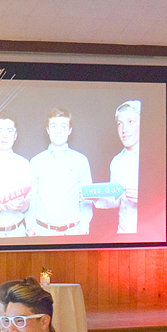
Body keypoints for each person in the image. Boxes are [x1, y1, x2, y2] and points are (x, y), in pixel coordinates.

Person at [26, 108, 93, 236]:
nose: (58, 131)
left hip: (73, 232)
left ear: (69, 131)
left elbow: (86, 198)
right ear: (47, 130)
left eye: (63, 126)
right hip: (42, 232)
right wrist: (30, 227)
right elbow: (31, 198)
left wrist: (83, 230)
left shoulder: (80, 160)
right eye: (54, 126)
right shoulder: (36, 161)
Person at [94, 100, 141, 234]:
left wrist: (145, 197)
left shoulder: (156, 156)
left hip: (152, 235)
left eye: (130, 122)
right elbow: (116, 200)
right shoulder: (117, 161)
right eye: (120, 124)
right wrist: (94, 196)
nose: (124, 129)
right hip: (124, 234)